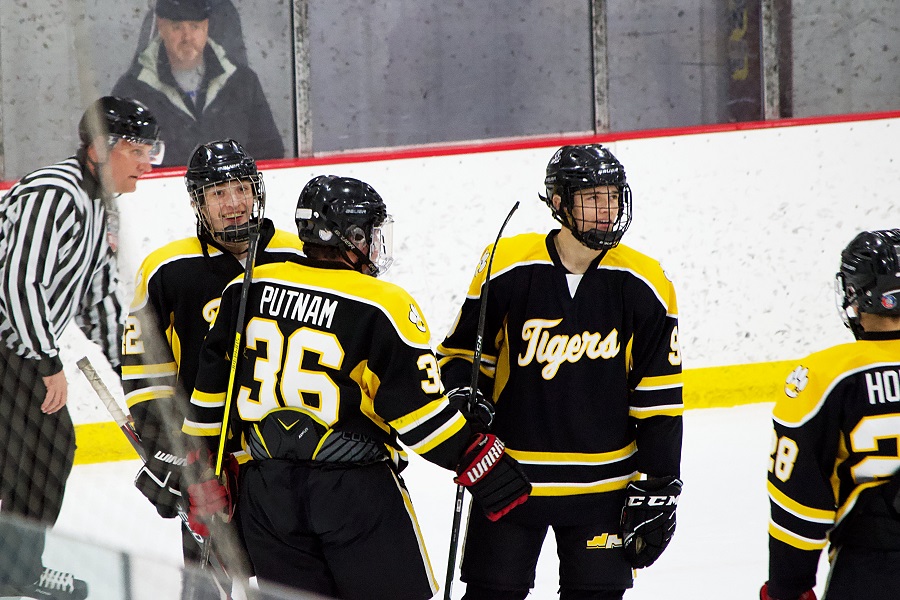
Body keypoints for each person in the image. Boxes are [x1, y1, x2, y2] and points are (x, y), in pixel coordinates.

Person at [180, 175, 532, 600]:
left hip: (266, 495)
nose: (376, 244)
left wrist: (200, 470)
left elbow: (210, 393)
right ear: (351, 237)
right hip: (353, 494)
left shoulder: (245, 288)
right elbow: (418, 416)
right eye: (372, 232)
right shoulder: (381, 303)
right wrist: (477, 458)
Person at [436, 144, 684, 600]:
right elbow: (459, 360)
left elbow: (660, 398)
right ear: (558, 202)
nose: (606, 210)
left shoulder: (646, 282)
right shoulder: (506, 266)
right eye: (592, 198)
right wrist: (464, 409)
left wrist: (660, 484)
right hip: (510, 481)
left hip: (605, 490)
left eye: (613, 197)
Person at [122, 138, 304, 598]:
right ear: (198, 202)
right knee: (205, 583)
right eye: (219, 193)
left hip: (285, 456)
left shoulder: (296, 256)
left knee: (291, 578)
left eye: (242, 188)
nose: (235, 204)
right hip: (210, 458)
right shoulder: (166, 269)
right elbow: (144, 375)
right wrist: (182, 459)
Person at [0, 96, 162, 600]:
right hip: (15, 351)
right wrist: (48, 361)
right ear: (98, 149)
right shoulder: (55, 193)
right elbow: (18, 285)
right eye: (137, 149)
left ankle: (15, 568)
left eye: (151, 148)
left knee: (42, 453)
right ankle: (14, 569)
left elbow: (97, 298)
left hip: (17, 352)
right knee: (39, 452)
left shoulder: (100, 207)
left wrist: (132, 369)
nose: (148, 162)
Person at [761, 229, 900, 600]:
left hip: (872, 569)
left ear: (857, 292)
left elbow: (799, 500)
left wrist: (787, 587)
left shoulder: (826, 376)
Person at [112, 0, 283, 167]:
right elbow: (116, 159)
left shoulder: (243, 82)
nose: (187, 37)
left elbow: (269, 152)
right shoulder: (132, 90)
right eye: (177, 27)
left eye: (195, 26)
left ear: (206, 27)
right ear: (161, 27)